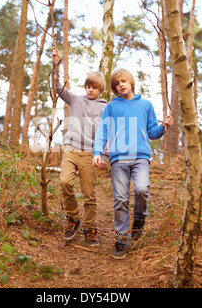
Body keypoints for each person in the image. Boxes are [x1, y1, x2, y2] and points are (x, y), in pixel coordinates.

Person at [92, 68, 174, 259]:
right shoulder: (112, 107)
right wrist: (98, 153)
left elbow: (153, 133)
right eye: (117, 84)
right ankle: (122, 239)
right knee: (120, 199)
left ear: (130, 82)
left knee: (142, 189)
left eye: (123, 81)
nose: (121, 85)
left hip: (141, 157)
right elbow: (102, 131)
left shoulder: (145, 105)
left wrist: (163, 126)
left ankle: (139, 218)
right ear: (114, 88)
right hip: (119, 158)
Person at [51, 47, 109, 246]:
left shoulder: (105, 107)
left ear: (100, 89)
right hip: (71, 149)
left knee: (89, 195)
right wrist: (56, 64)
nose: (90, 89)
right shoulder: (75, 99)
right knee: (65, 182)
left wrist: (104, 155)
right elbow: (57, 88)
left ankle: (90, 228)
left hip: (90, 154)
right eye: (88, 86)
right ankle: (72, 218)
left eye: (94, 87)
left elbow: (108, 133)